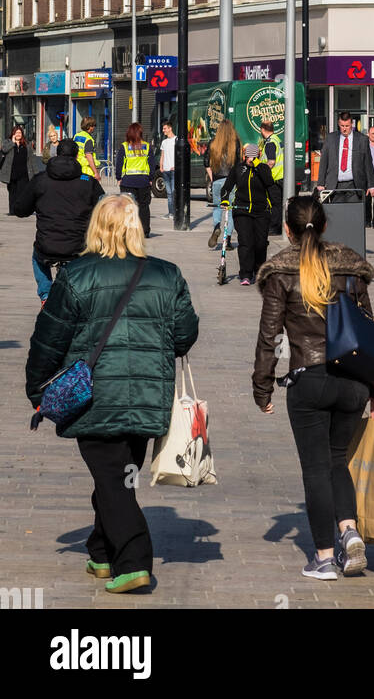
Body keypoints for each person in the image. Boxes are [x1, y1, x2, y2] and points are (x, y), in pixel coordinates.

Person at [25, 194, 199, 594]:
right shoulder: (167, 275)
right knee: (118, 477)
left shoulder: (76, 275)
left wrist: (37, 388)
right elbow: (185, 336)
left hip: (94, 399)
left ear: (97, 228)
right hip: (146, 397)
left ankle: (134, 561)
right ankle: (101, 551)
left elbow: (49, 340)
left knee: (113, 479)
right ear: (136, 227)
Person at [253, 195, 374, 580]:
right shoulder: (350, 268)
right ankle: (349, 532)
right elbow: (368, 329)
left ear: (287, 230)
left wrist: (263, 387)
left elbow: (269, 336)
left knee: (316, 469)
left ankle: (323, 557)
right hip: (353, 382)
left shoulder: (280, 274)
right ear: (324, 227)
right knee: (338, 459)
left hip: (309, 381)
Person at [14, 136, 104, 304]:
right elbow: (105, 209)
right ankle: (80, 294)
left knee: (37, 256)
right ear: (78, 157)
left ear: (56, 154)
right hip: (79, 246)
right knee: (90, 258)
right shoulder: (88, 182)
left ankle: (46, 295)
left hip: (46, 246)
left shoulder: (40, 180)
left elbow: (20, 209)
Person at [220, 143, 276, 285]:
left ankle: (259, 271)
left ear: (258, 155)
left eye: (254, 156)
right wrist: (225, 200)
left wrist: (257, 164)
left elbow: (269, 183)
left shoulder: (263, 168)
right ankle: (245, 273)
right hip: (242, 210)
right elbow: (227, 187)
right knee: (246, 242)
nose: (251, 159)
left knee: (260, 243)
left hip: (261, 211)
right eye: (249, 156)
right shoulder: (238, 169)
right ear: (245, 156)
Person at [316, 112, 374, 205]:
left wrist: (371, 185)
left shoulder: (362, 139)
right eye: (342, 126)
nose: (344, 129)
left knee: (353, 215)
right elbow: (324, 161)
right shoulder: (330, 139)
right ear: (339, 124)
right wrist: (321, 183)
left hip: (355, 185)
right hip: (335, 185)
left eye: (347, 126)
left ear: (352, 124)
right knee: (337, 215)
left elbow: (368, 164)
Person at [115, 123, 157, 239]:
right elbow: (152, 164)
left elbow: (119, 164)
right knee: (144, 207)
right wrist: (150, 178)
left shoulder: (124, 146)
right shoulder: (147, 146)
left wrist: (119, 178)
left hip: (128, 181)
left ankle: (128, 231)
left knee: (128, 207)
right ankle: (145, 231)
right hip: (143, 181)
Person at [205, 119, 242, 250]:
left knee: (217, 207)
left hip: (217, 180)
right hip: (231, 182)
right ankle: (228, 240)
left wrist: (213, 178)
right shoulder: (235, 143)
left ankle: (216, 227)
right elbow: (239, 165)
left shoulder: (213, 143)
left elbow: (206, 163)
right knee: (230, 211)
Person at [1, 125, 43, 215]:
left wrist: (36, 173)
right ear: (13, 134)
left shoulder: (26, 144)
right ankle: (12, 211)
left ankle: (20, 210)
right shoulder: (7, 142)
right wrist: (12, 143)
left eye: (19, 132)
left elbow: (31, 159)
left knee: (22, 193)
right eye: (16, 133)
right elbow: (4, 150)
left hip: (24, 173)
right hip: (11, 173)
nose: (18, 134)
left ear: (22, 134)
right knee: (12, 193)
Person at [258, 120, 284, 236]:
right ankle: (278, 226)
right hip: (281, 176)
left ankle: (274, 227)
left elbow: (271, 162)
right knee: (279, 204)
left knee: (275, 204)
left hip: (274, 177)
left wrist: (263, 172)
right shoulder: (277, 139)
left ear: (262, 130)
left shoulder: (269, 143)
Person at [74, 116, 100, 181]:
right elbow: (89, 156)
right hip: (87, 171)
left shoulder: (76, 136)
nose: (94, 127)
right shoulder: (89, 139)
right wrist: (96, 173)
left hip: (76, 168)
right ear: (90, 127)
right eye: (94, 126)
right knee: (89, 189)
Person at [159, 120, 176, 220]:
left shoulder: (177, 140)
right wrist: (161, 166)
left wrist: (176, 166)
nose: (163, 130)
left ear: (170, 128)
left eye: (165, 128)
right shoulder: (164, 142)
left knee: (173, 192)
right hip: (165, 170)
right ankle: (171, 213)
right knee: (169, 193)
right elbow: (162, 155)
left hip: (173, 170)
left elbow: (180, 156)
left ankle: (175, 212)